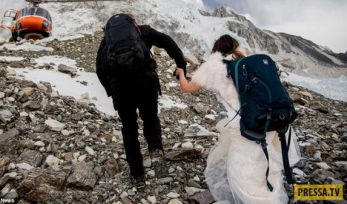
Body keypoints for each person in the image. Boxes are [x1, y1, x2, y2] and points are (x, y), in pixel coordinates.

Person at [175, 34, 300, 204]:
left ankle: (259, 200)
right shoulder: (247, 64)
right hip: (270, 119)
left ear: (216, 49)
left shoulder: (213, 66)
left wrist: (181, 73)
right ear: (235, 47)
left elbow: (186, 88)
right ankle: (273, 192)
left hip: (245, 125)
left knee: (243, 170)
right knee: (265, 161)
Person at [96, 13, 187, 190]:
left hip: (121, 90)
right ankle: (155, 151)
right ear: (132, 23)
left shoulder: (107, 42)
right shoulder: (142, 32)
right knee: (151, 119)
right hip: (146, 82)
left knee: (129, 128)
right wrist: (181, 65)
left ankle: (137, 175)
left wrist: (111, 91)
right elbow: (168, 42)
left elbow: (100, 69)